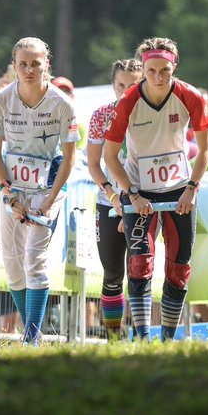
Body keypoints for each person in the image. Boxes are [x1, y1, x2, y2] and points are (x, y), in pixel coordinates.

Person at [103, 37, 208, 341]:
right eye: (151, 71)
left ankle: (166, 339)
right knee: (139, 264)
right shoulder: (128, 101)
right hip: (140, 189)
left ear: (175, 66)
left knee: (178, 266)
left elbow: (205, 150)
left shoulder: (190, 96)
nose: (158, 77)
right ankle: (142, 338)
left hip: (179, 189)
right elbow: (110, 156)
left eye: (165, 70)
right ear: (143, 69)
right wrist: (131, 194)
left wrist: (192, 188)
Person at [0, 37, 80, 344]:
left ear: (46, 64)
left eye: (35, 64)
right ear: (13, 67)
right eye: (22, 64)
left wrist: (49, 200)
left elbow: (70, 157)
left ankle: (31, 339)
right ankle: (30, 334)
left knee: (34, 259)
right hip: (12, 187)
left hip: (48, 186)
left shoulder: (63, 104)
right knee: (13, 265)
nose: (29, 70)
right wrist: (9, 196)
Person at [86, 57, 143, 341]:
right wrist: (111, 193)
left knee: (140, 271)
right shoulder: (101, 115)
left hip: (142, 201)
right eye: (121, 85)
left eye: (133, 85)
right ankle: (113, 339)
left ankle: (142, 335)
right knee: (112, 274)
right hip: (109, 202)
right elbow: (93, 164)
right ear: (113, 85)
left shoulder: (150, 112)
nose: (126, 91)